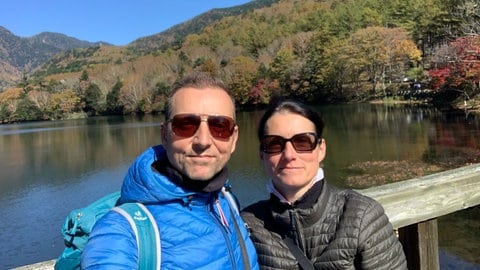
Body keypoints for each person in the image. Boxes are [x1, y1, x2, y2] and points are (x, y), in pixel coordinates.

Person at [82, 72, 259, 269]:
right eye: (185, 125)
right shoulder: (123, 231)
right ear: (164, 134)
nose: (203, 141)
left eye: (220, 126)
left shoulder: (225, 200)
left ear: (234, 139)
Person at [241, 100, 407, 269]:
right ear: (262, 154)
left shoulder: (360, 215)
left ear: (321, 149)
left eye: (302, 142)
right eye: (274, 144)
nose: (289, 154)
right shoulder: (249, 224)